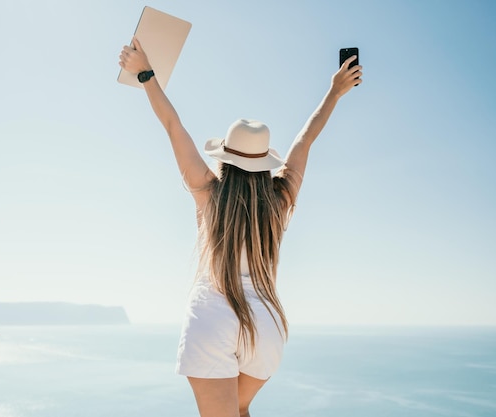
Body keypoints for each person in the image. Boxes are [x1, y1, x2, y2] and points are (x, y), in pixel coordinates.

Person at [119, 37, 362, 417]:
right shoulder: (280, 199)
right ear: (264, 162)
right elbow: (306, 138)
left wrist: (145, 73)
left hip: (214, 312)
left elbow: (172, 125)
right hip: (265, 323)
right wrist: (335, 91)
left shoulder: (208, 192)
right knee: (240, 409)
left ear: (226, 159)